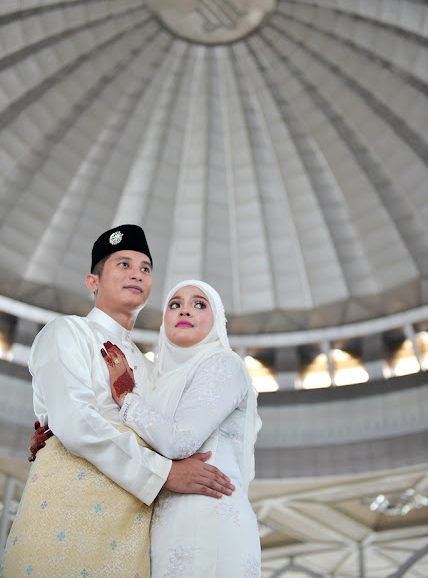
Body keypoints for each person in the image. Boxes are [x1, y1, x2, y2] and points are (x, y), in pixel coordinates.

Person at [1, 225, 234, 578]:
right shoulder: (67, 332)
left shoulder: (149, 369)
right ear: (92, 281)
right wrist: (164, 473)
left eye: (145, 268)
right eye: (123, 264)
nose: (137, 274)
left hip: (132, 522)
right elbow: (75, 424)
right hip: (67, 506)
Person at [102, 279, 262, 577]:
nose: (185, 311)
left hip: (209, 516)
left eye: (199, 304)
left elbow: (180, 441)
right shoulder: (154, 382)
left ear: (217, 320)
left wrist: (126, 398)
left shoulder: (223, 363)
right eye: (175, 305)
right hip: (164, 521)